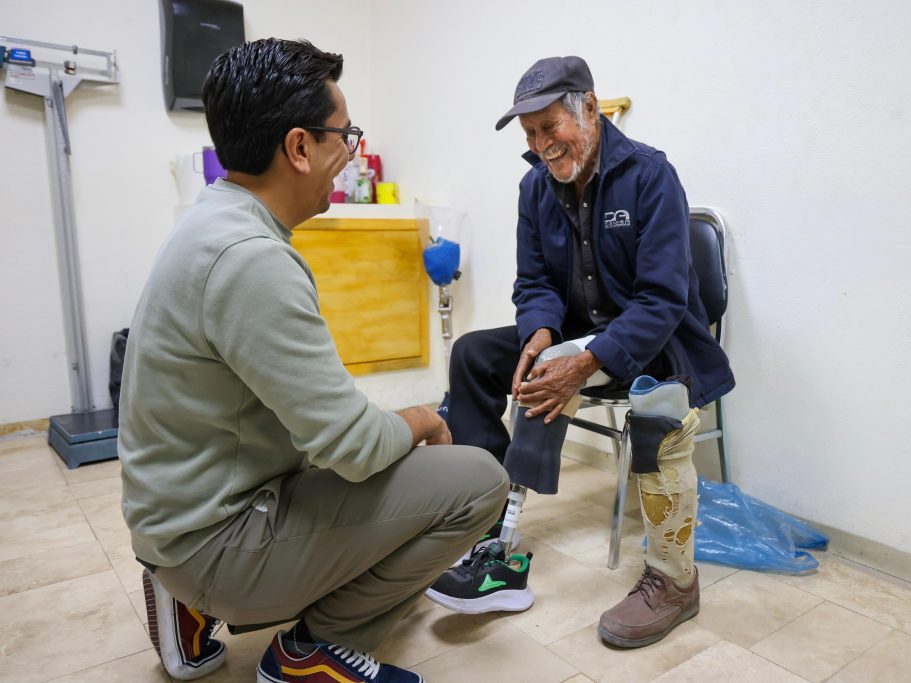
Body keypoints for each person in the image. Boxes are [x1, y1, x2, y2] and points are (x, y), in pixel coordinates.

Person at [118, 38, 508, 683]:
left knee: (388, 454)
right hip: (213, 541)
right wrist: (424, 419)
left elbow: (316, 419)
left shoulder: (211, 219)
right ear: (299, 148)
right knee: (477, 481)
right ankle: (312, 649)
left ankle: (185, 592)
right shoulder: (253, 260)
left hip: (178, 516)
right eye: (344, 136)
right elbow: (352, 446)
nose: (349, 154)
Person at [429, 56, 735, 648]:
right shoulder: (534, 188)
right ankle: (488, 530)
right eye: (530, 134)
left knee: (658, 403)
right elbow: (535, 283)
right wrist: (540, 332)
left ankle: (675, 581)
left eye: (550, 127)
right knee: (473, 354)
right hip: (574, 336)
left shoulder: (650, 175)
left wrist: (586, 362)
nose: (541, 145)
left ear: (589, 108)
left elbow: (663, 298)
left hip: (658, 340)